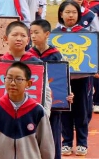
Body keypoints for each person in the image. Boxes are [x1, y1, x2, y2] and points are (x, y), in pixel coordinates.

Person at [0, 61, 55, 158]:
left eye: (18, 79)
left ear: (28, 84)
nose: (12, 83)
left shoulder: (37, 111)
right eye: (9, 78)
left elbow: (46, 146)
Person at [52, 0, 94, 156]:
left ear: (79, 14)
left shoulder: (86, 34)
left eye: (74, 12)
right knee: (64, 110)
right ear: (61, 14)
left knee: (82, 111)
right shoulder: (54, 34)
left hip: (82, 78)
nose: (71, 15)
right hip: (62, 79)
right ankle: (67, 142)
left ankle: (82, 142)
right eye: (67, 12)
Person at [28, 19, 74, 159]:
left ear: (47, 34)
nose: (33, 36)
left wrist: (68, 93)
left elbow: (63, 77)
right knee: (32, 138)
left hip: (54, 105)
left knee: (53, 137)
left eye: (37, 32)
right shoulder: (29, 55)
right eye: (31, 33)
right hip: (32, 105)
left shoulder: (56, 55)